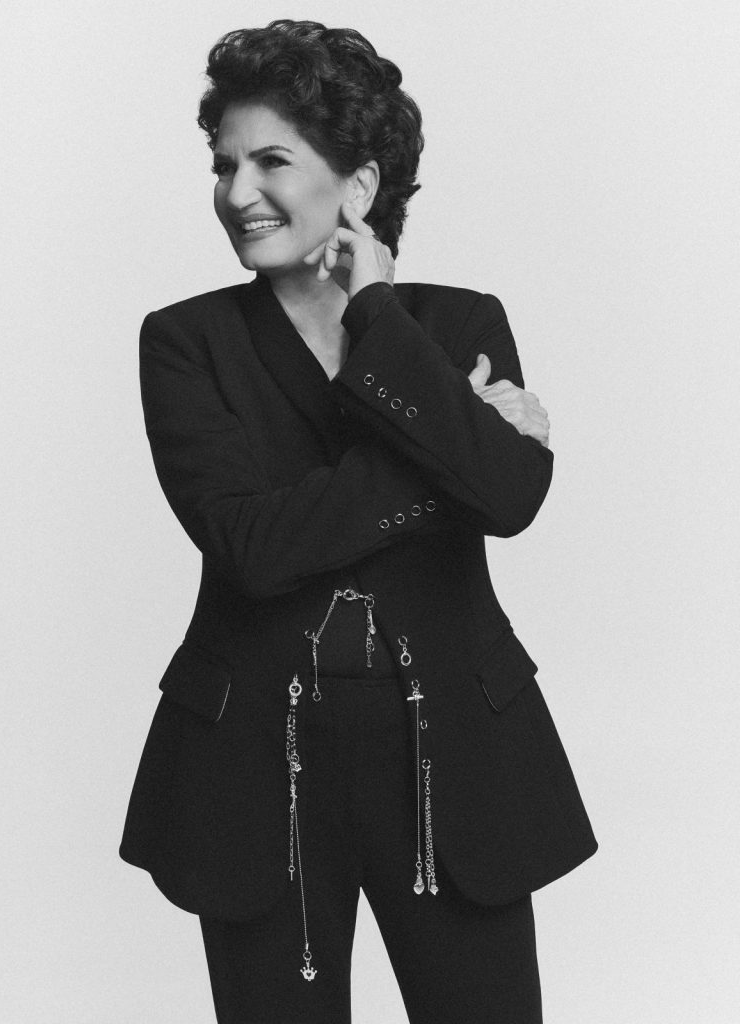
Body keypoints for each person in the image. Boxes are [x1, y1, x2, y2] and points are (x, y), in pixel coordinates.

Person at [120, 19, 598, 1024]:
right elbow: (252, 548)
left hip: (454, 763)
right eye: (224, 165)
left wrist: (377, 312)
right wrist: (450, 445)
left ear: (361, 185)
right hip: (256, 770)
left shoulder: (458, 323)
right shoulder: (186, 342)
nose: (237, 192)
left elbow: (510, 500)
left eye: (271, 161)